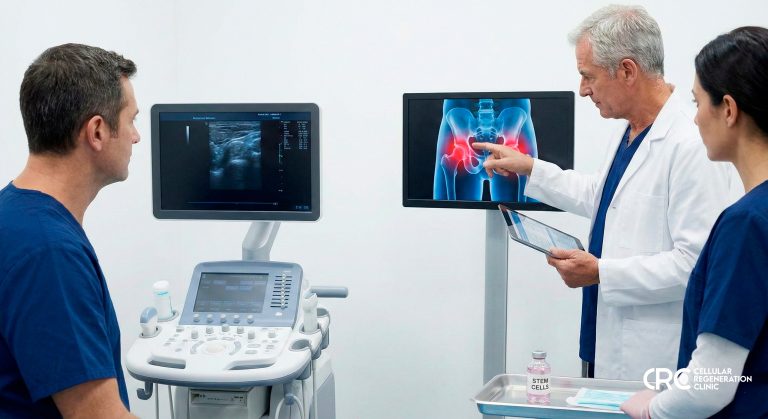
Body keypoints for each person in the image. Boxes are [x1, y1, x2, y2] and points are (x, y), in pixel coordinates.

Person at [473, 5, 734, 380]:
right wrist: (531, 169)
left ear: (627, 70)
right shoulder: (630, 129)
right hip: (601, 337)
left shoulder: (690, 145)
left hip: (651, 353)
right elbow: (604, 196)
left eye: (587, 76)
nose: (582, 90)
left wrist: (602, 272)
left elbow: (695, 264)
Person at [622, 26, 768, 419]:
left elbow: (712, 382)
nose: (697, 118)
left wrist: (652, 408)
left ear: (729, 110)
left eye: (698, 102)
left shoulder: (747, 223)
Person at [0, 44, 140, 417]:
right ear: (96, 131)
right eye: (131, 121)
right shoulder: (49, 253)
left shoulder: (11, 215)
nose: (136, 137)